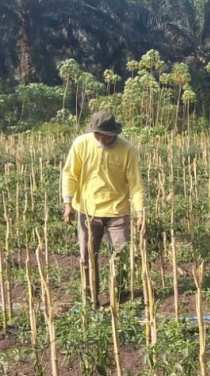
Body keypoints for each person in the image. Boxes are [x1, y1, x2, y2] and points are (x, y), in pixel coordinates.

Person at [61, 111, 146, 307]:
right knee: (87, 257)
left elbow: (136, 184)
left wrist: (140, 213)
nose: (101, 139)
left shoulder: (127, 150)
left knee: (121, 256)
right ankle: (90, 299)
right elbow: (70, 174)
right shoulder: (81, 144)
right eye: (98, 135)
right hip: (88, 211)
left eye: (105, 136)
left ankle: (118, 297)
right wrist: (68, 203)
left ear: (114, 133)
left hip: (118, 212)